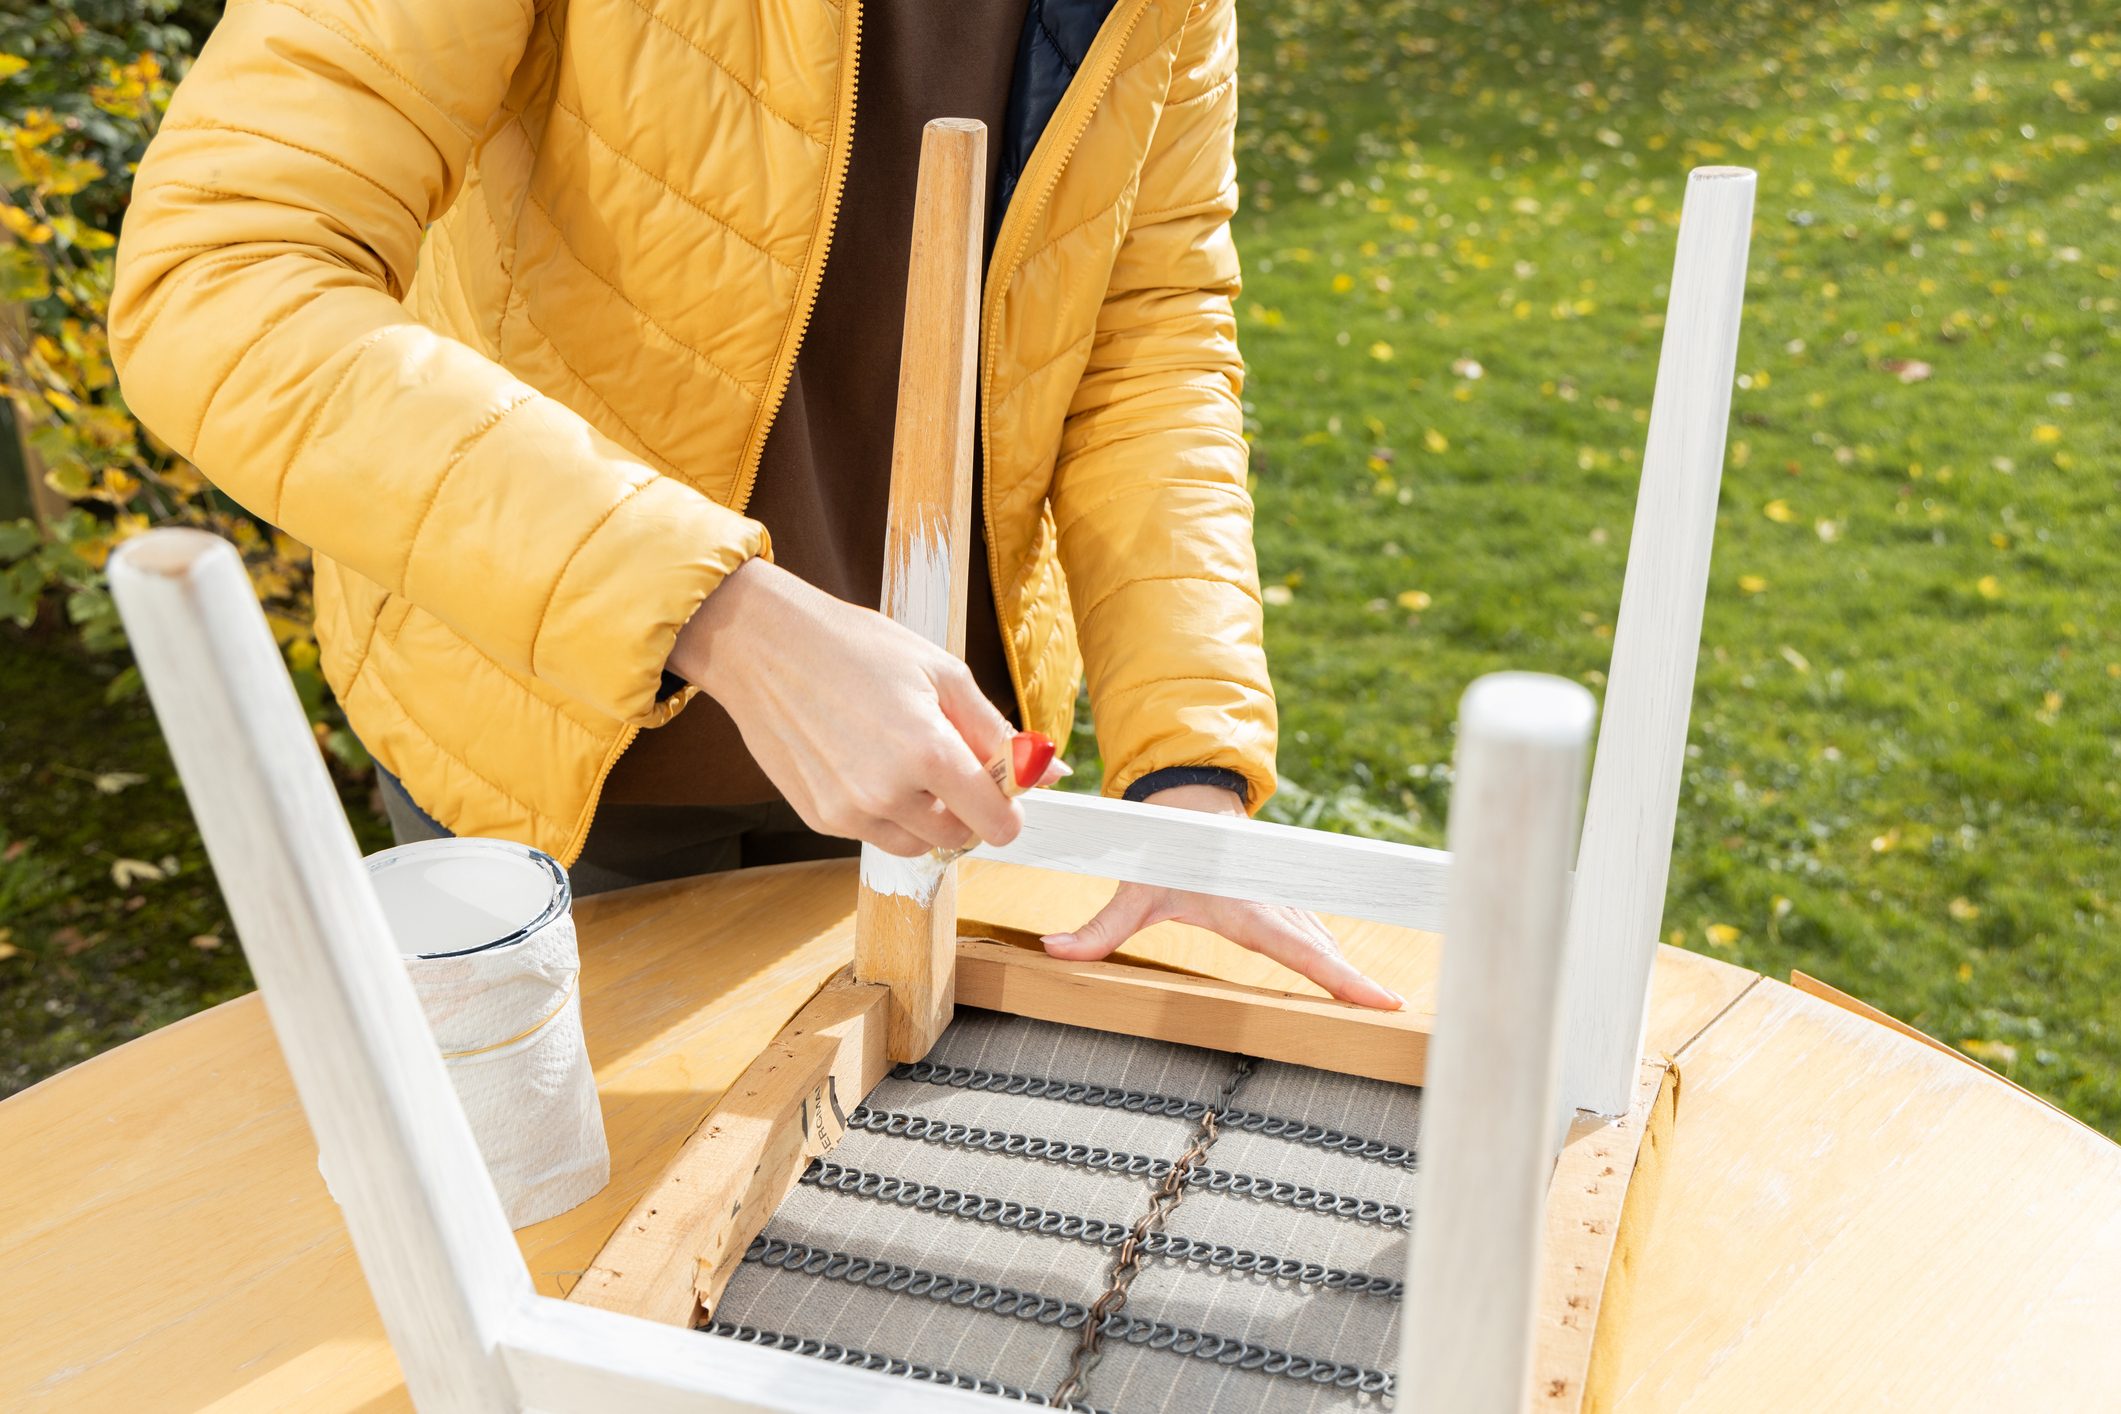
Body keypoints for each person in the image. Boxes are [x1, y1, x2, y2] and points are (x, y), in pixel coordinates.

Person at [111, 0, 1398, 1009]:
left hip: (929, 754)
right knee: (587, 1266)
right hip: (542, 747)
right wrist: (726, 615)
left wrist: (1188, 770)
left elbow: (1146, 326)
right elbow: (221, 276)